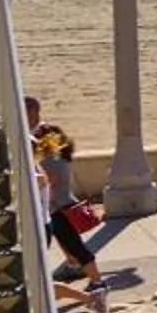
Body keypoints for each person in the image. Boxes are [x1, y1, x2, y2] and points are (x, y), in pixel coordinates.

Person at [23, 96, 96, 292]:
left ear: (33, 112)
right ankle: (78, 268)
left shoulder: (43, 138)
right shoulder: (48, 135)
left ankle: (94, 280)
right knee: (69, 243)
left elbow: (52, 175)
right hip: (55, 204)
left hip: (56, 205)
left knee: (72, 244)